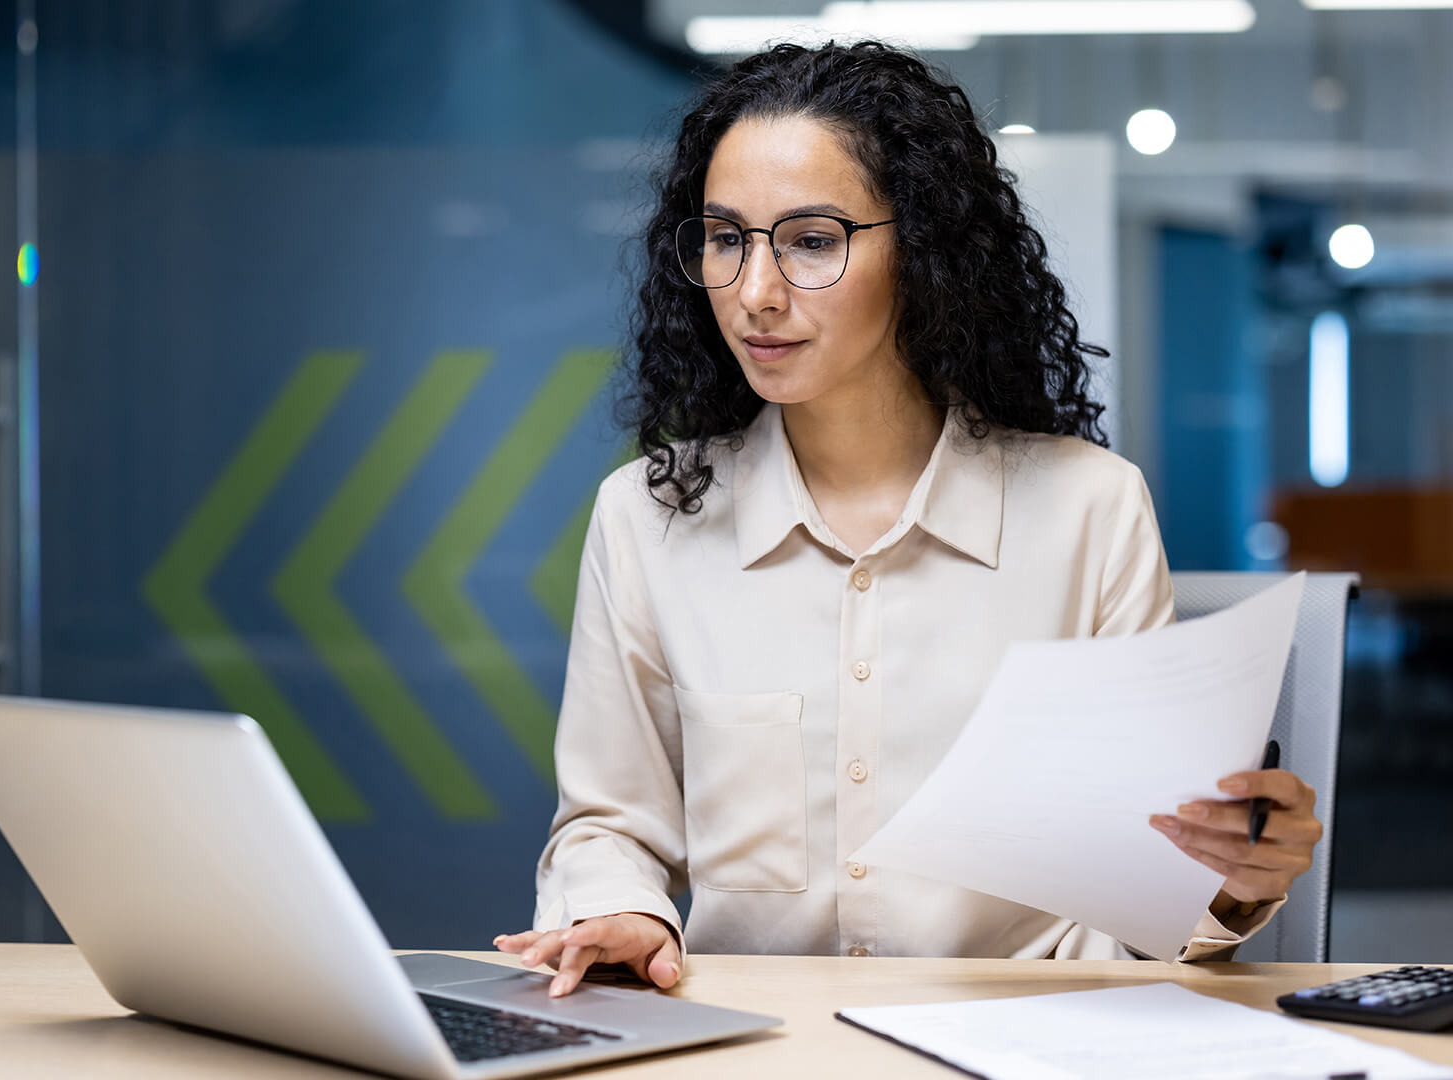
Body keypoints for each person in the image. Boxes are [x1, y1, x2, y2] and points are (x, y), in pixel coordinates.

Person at [493, 40, 1323, 998]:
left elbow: (1139, 879)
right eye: (726, 238)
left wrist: (1225, 883)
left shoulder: (1091, 508)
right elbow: (609, 824)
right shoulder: (647, 518)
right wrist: (625, 908)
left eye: (811, 240)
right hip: (754, 1054)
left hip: (1026, 1049)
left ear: (921, 249)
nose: (756, 292)